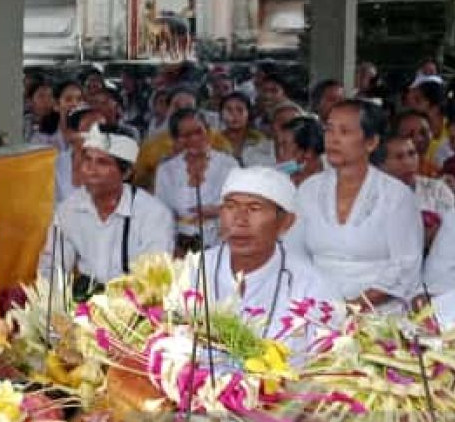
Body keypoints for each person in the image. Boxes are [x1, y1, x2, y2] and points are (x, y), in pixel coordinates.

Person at [289, 100, 424, 311]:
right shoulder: (309, 189)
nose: (333, 139)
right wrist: (318, 304)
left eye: (344, 131)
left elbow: (405, 265)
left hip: (378, 311)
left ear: (370, 142)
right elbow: (293, 251)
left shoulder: (396, 195)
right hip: (316, 305)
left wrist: (354, 307)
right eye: (329, 130)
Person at [196, 167, 340, 361]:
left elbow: (328, 364)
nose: (239, 220)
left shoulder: (311, 287)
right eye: (230, 206)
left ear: (285, 223)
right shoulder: (194, 269)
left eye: (254, 208)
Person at [41, 124, 174, 290]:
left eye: (102, 163)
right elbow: (52, 267)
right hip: (82, 304)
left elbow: (154, 279)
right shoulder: (68, 210)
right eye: (87, 159)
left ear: (126, 173)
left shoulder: (153, 215)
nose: (90, 169)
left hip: (136, 305)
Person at [156, 108, 239, 254]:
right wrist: (173, 246)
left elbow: (242, 206)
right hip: (180, 247)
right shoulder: (166, 170)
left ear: (208, 130)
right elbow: (162, 215)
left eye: (199, 131)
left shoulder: (229, 164)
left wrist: (218, 211)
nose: (194, 139)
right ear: (176, 139)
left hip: (223, 244)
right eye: (186, 135)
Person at [381, 132, 454, 249]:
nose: (409, 162)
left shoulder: (436, 188)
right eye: (399, 157)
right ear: (381, 165)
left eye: (412, 154)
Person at [218, 92, 275, 167]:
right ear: (221, 114)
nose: (234, 115)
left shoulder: (260, 140)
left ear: (249, 113)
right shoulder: (214, 141)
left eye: (240, 110)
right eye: (229, 110)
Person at [406, 76, 449, 168]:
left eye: (417, 100)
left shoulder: (451, 130)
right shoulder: (411, 129)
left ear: (434, 104)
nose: (411, 104)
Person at [276, 115, 326, 186]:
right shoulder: (279, 177)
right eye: (279, 145)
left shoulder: (333, 184)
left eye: (284, 145)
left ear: (309, 152)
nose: (279, 151)